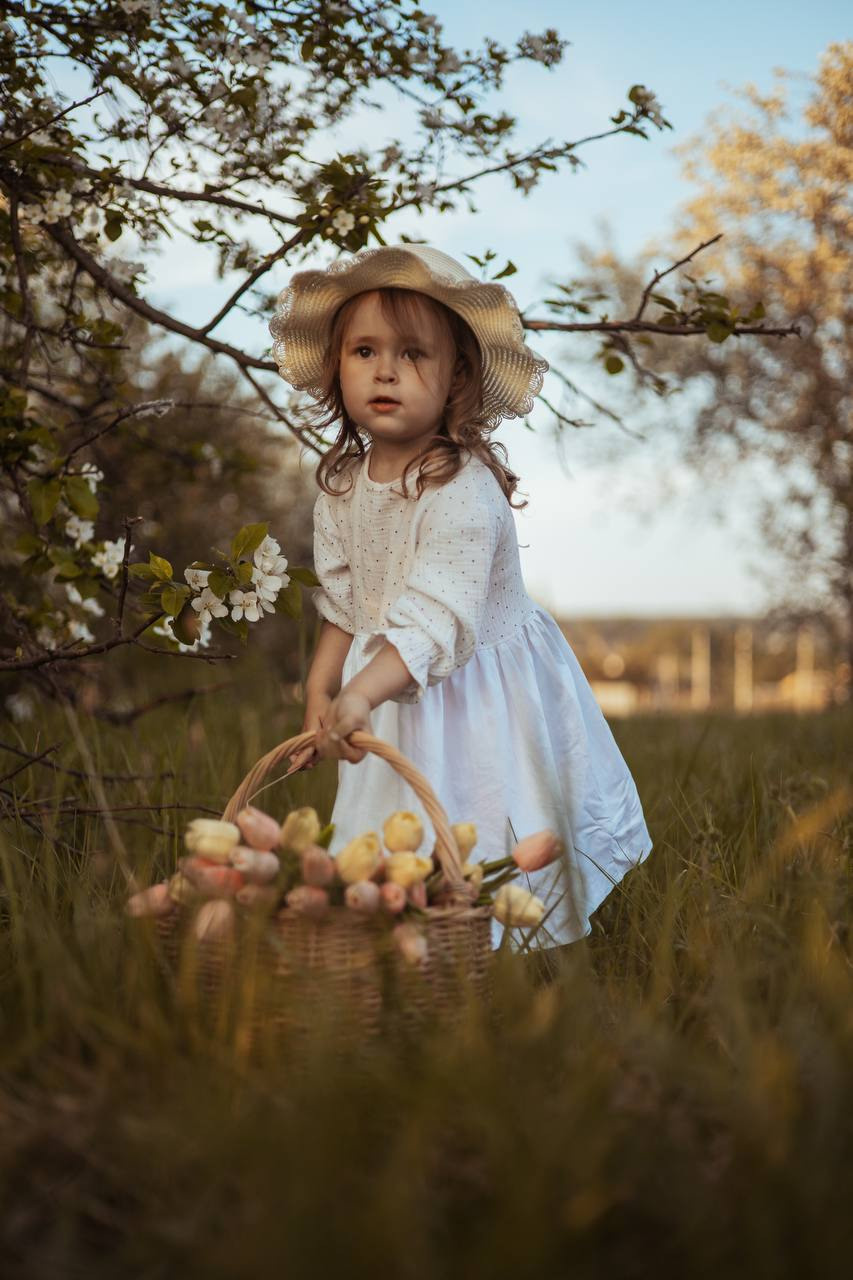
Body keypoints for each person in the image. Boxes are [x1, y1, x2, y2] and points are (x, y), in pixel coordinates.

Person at [269, 244, 653, 955]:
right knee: (392, 834)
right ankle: (405, 952)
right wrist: (323, 688)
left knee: (485, 821)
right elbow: (347, 604)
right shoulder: (342, 488)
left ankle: (498, 955)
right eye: (364, 351)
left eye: (413, 354)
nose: (385, 371)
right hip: (386, 681)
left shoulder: (461, 488)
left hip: (480, 687)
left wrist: (359, 691)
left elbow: (438, 619)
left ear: (457, 379)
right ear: (336, 368)